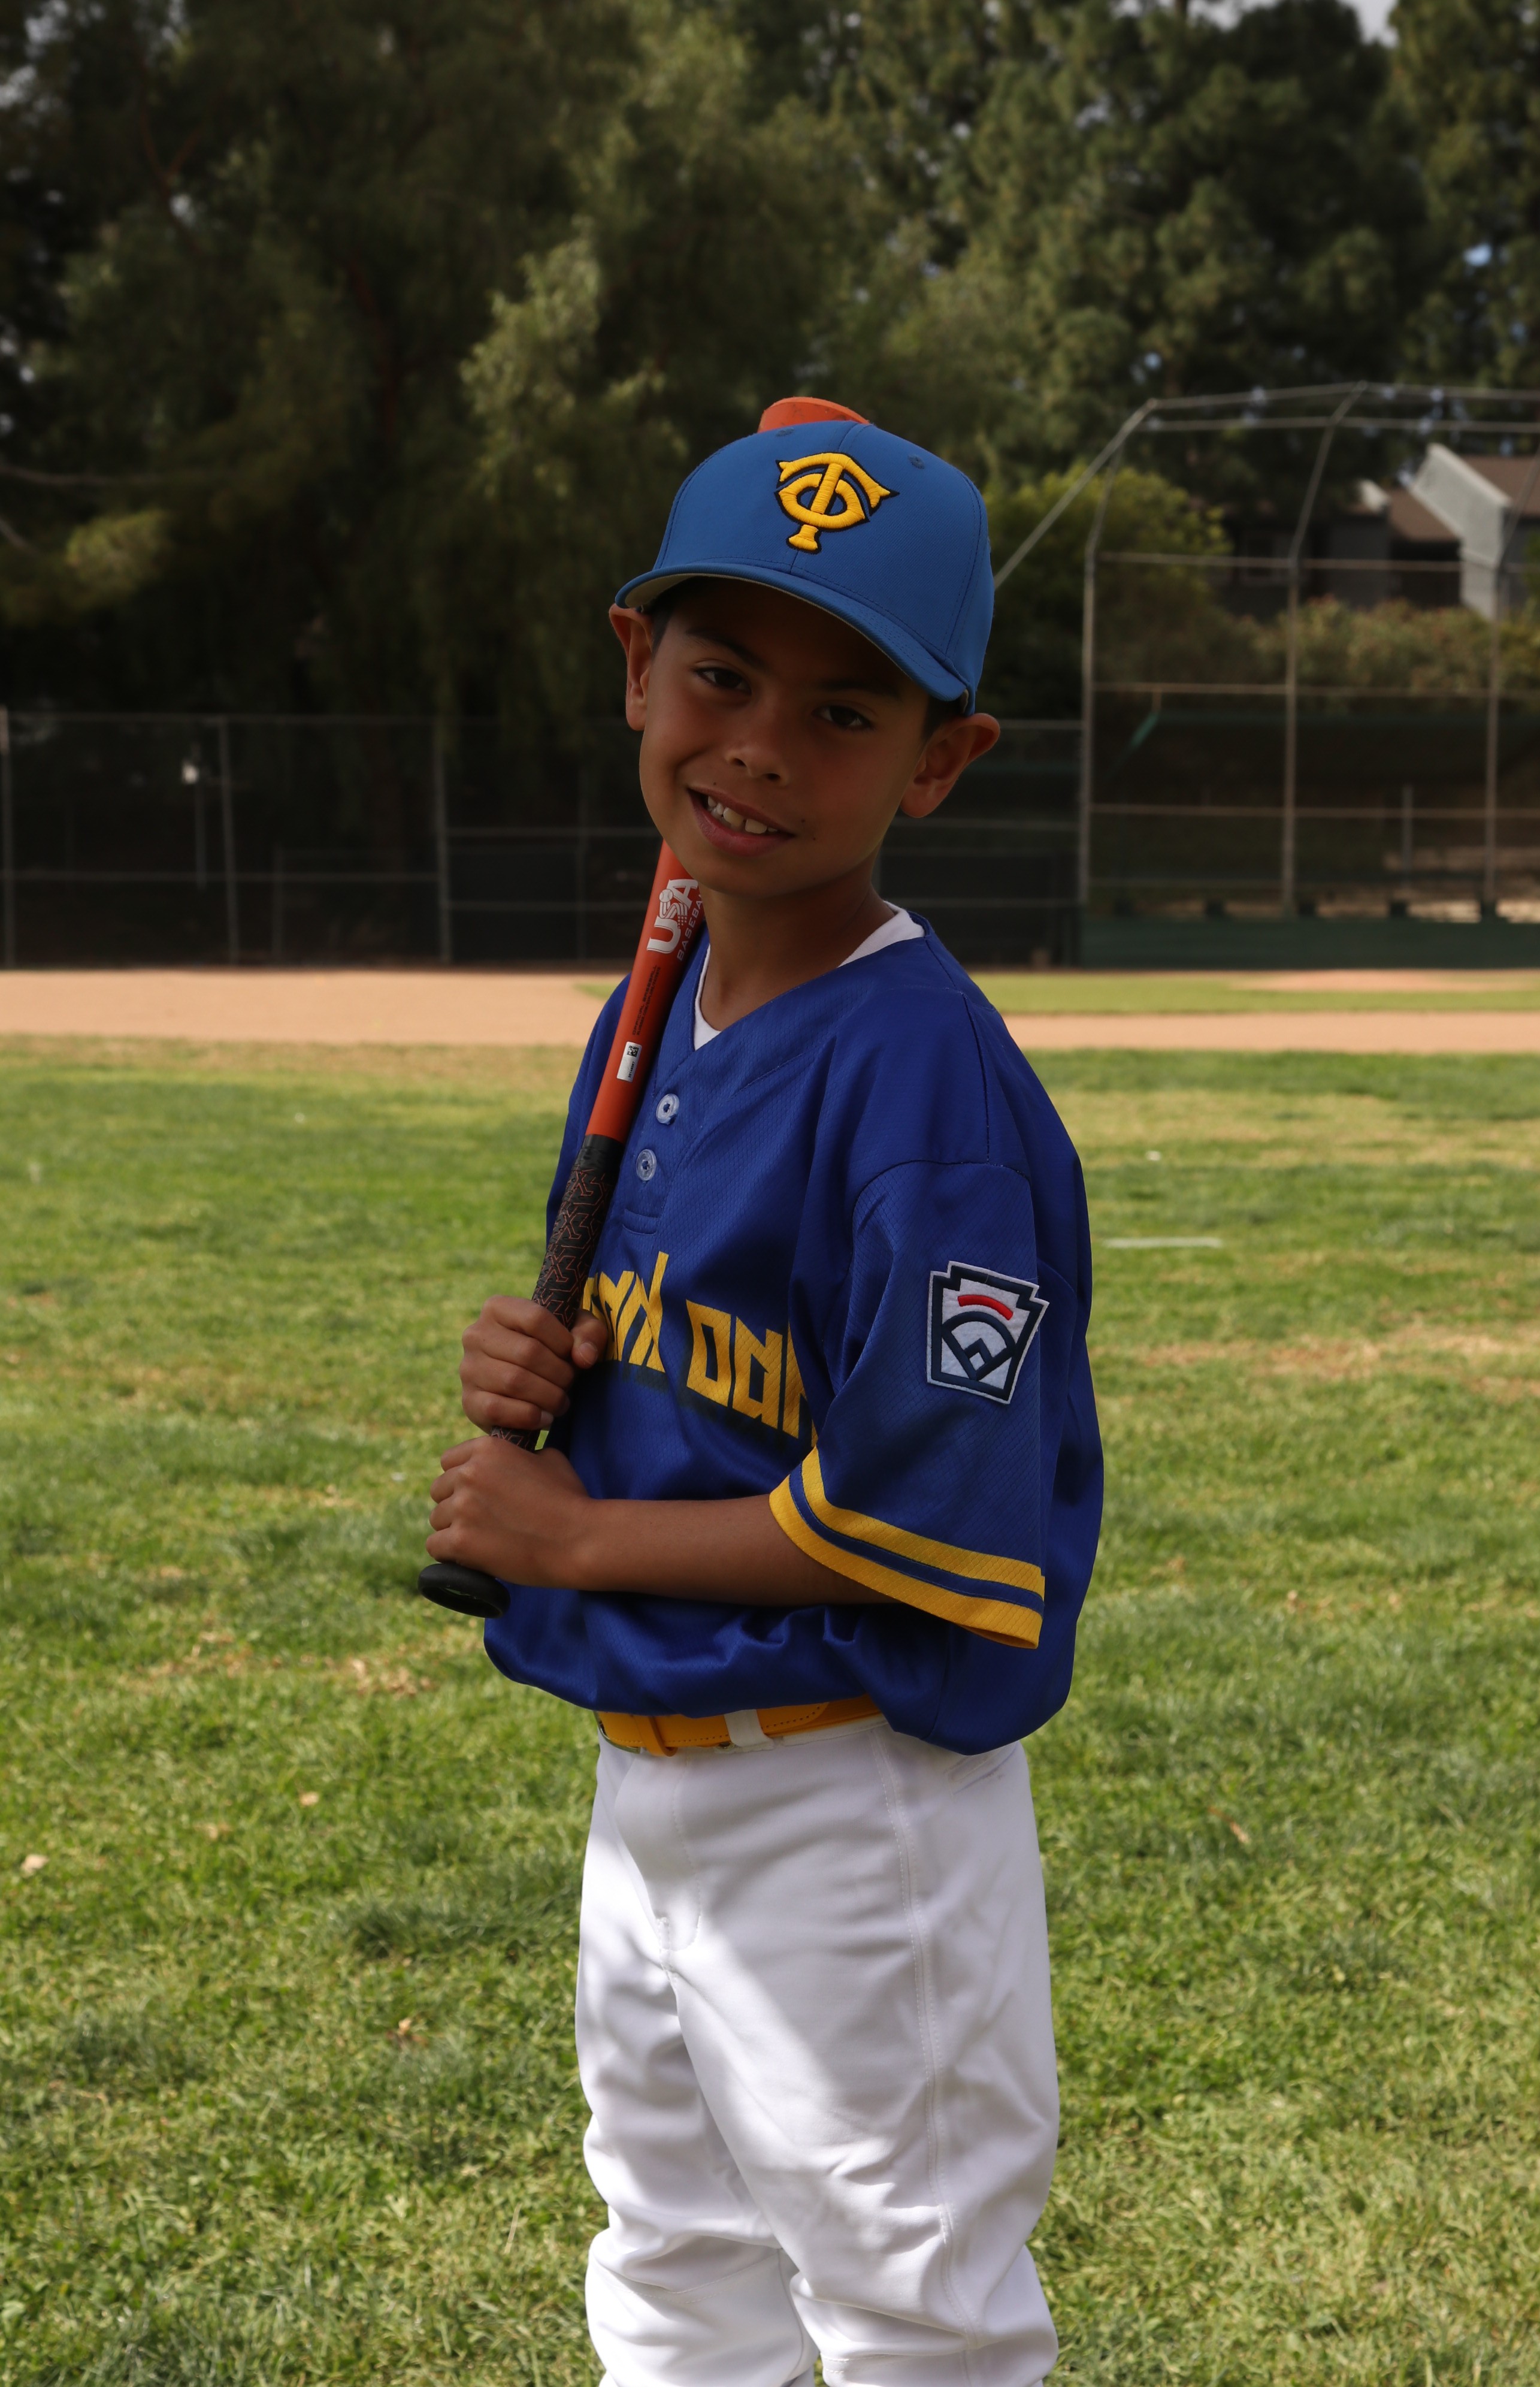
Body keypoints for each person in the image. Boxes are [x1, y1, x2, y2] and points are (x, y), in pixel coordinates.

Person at [426, 395, 1103, 2387]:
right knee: (672, 2273)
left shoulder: (925, 1086)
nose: (758, 748)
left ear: (940, 760)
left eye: (844, 711)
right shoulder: (680, 998)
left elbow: (920, 1516)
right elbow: (701, 1344)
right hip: (648, 1781)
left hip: (847, 1801)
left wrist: (575, 1538)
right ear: (637, 665)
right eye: (722, 675)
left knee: (913, 2320)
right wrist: (557, 1367)